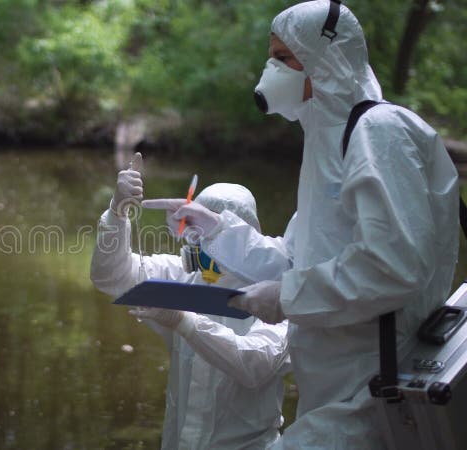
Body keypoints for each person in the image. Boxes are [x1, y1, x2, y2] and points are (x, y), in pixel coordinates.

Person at [145, 1, 459, 448]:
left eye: (283, 57)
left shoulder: (378, 131)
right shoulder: (326, 145)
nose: (271, 69)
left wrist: (288, 297)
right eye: (271, 56)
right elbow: (296, 260)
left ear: (326, 59)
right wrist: (218, 229)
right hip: (333, 393)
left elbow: (394, 266)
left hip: (373, 392)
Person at [91, 153, 291, 449]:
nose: (195, 243)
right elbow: (110, 277)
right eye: (193, 230)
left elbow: (255, 363)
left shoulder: (278, 295)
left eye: (207, 231)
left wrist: (183, 322)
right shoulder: (184, 276)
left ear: (241, 235)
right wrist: (117, 213)